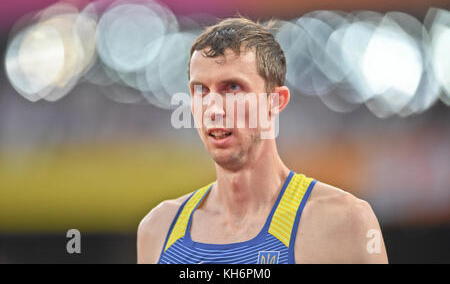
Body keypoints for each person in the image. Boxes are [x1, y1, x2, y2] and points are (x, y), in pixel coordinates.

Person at [137, 17, 388, 264]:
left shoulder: (343, 222)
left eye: (232, 88)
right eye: (200, 90)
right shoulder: (158, 230)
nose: (212, 109)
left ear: (275, 101)